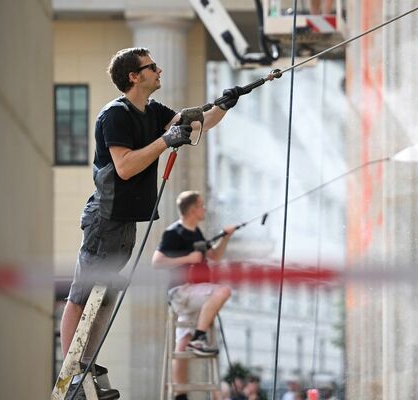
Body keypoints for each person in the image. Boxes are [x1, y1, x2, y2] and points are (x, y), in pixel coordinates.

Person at [58, 47, 241, 396]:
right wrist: (163, 141)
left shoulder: (153, 111)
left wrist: (224, 105)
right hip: (105, 218)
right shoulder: (116, 115)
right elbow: (125, 167)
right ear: (134, 76)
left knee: (105, 297)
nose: (159, 70)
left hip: (125, 220)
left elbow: (195, 123)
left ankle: (85, 361)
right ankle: (71, 371)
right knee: (83, 296)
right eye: (152, 67)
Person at [153, 191, 237, 400]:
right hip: (182, 292)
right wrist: (187, 257)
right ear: (192, 209)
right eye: (201, 205)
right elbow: (157, 261)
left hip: (194, 294)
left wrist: (225, 238)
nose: (204, 209)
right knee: (223, 291)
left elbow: (215, 255)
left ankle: (180, 395)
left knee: (181, 344)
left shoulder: (197, 233)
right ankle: (199, 338)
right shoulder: (174, 233)